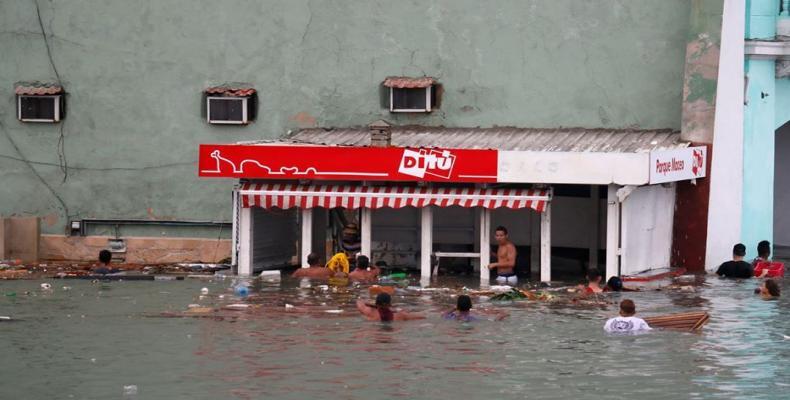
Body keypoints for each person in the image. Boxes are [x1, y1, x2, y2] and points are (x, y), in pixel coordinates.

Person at [356, 293, 424, 322]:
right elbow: (422, 317)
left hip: (376, 333)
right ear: (389, 304)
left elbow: (359, 302)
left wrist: (372, 305)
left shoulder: (370, 312)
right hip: (392, 331)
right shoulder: (399, 315)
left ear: (377, 303)